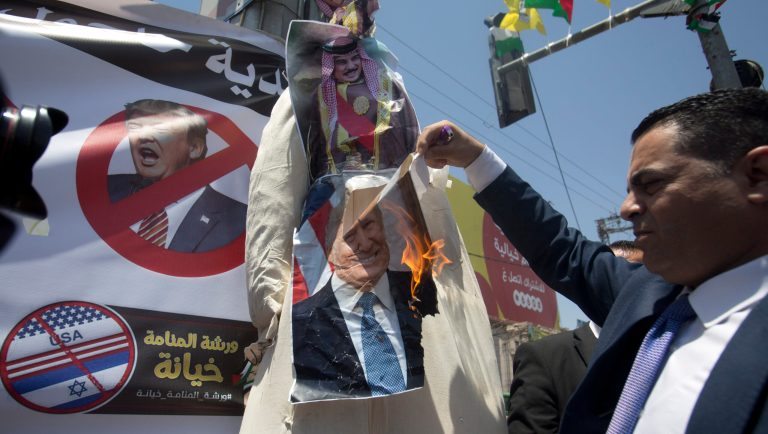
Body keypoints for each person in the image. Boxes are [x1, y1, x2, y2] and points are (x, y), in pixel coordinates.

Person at [417, 88, 768, 434]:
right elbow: (561, 248)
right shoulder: (649, 296)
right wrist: (476, 160)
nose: (627, 209)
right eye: (630, 190)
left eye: (652, 184)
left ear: (758, 174)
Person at [291, 184, 429, 402]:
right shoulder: (298, 324)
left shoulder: (422, 293)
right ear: (330, 251)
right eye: (349, 236)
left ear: (384, 228)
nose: (364, 244)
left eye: (369, 225)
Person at [506, 241, 643, 434]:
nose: (623, 285)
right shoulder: (546, 358)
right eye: (610, 275)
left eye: (636, 275)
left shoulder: (673, 346)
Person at [108, 99, 246, 252]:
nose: (144, 137)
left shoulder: (239, 220)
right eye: (135, 129)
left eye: (160, 129)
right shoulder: (103, 191)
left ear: (195, 148)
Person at [306, 36, 418, 181]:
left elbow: (409, 126)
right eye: (342, 62)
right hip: (336, 179)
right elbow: (315, 143)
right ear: (331, 66)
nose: (351, 66)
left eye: (355, 58)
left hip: (386, 176)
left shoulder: (386, 85)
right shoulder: (322, 96)